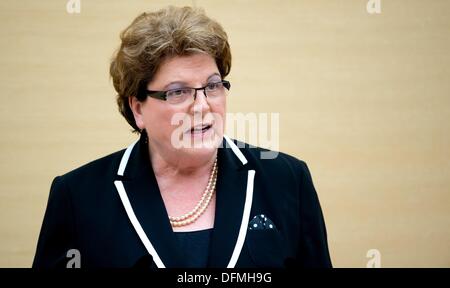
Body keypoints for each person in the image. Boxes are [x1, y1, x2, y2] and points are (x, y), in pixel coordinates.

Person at [33, 6, 332, 268]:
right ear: (137, 108)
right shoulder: (79, 198)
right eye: (178, 92)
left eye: (213, 86)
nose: (202, 106)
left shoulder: (288, 181)